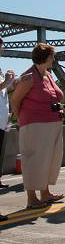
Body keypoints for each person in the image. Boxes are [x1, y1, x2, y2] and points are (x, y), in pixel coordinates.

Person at [11, 43, 65, 209]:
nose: (54, 59)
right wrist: (21, 120)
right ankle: (31, 198)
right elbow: (15, 101)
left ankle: (45, 193)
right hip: (34, 125)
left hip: (53, 122)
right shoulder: (28, 77)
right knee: (33, 160)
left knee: (49, 159)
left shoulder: (48, 75)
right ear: (45, 57)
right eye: (52, 56)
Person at [0, 37, 15, 189]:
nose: (2, 48)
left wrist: (11, 82)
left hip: (3, 118)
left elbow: (4, 91)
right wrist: (6, 82)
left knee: (1, 150)